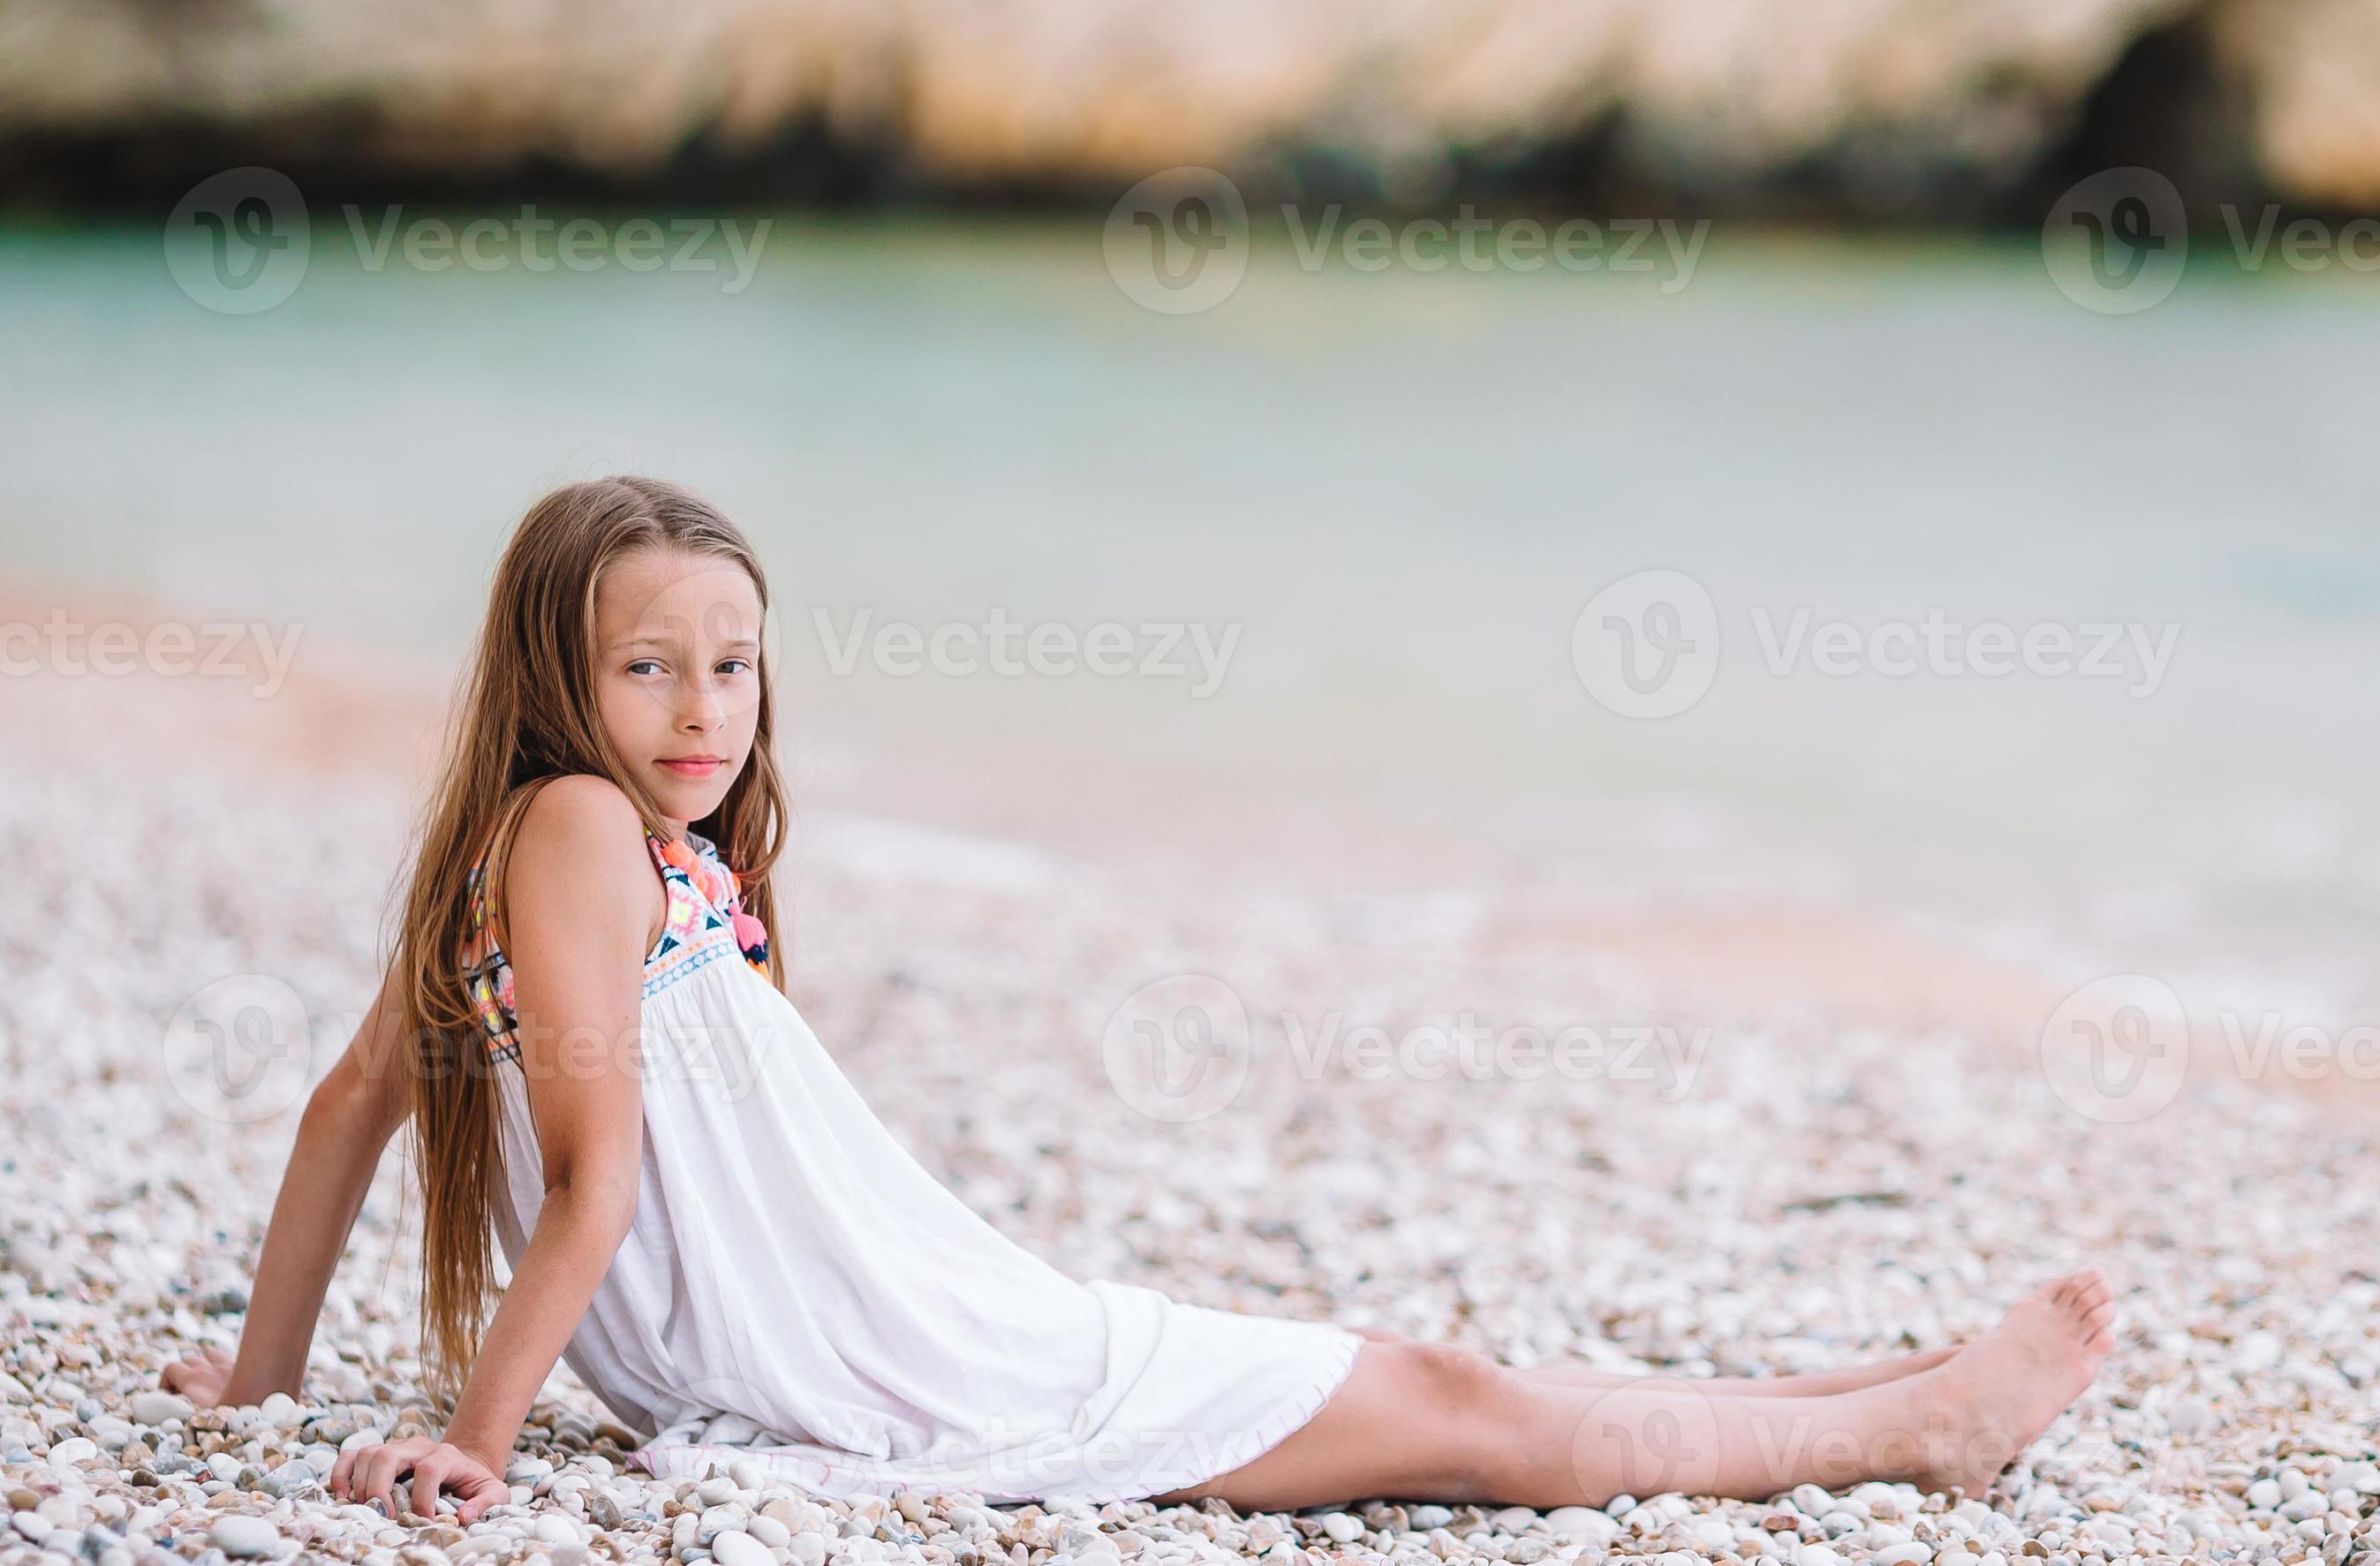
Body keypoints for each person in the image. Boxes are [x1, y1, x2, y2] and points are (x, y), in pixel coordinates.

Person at [158, 475, 2114, 1523]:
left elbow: (353, 1104)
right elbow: (587, 1176)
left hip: (909, 1321)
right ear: (554, 675)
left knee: (1430, 1382)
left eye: (735, 665)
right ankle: (1910, 1429)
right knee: (1442, 1399)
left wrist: (261, 1381)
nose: (702, 710)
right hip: (892, 1359)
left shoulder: (610, 854)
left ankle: (1881, 1396)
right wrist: (482, 1441)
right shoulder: (578, 827)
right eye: (651, 664)